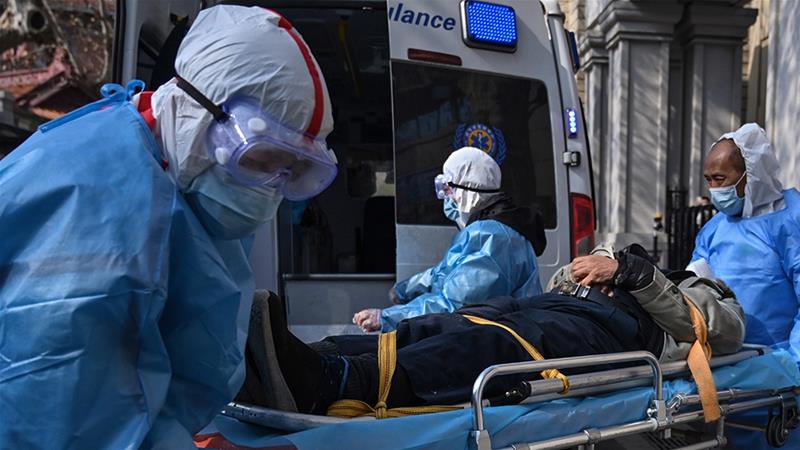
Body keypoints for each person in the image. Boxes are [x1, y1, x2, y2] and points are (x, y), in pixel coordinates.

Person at [0, 6, 336, 449]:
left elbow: (133, 380)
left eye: (291, 172)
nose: (270, 190)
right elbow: (61, 421)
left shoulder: (175, 174)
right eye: (260, 160)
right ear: (197, 112)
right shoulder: (97, 205)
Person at [246, 245, 744, 414]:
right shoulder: (641, 267)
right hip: (558, 305)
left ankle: (335, 382)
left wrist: (633, 275)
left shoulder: (711, 294)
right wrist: (577, 274)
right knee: (451, 321)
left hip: (609, 335)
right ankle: (314, 356)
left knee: (490, 345)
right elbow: (563, 282)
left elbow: (716, 333)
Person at [353, 146, 546, 332]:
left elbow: (456, 305)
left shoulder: (493, 238)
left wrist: (387, 318)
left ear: (465, 191)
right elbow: (445, 272)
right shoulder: (488, 230)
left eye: (447, 189)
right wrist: (408, 289)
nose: (445, 197)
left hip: (500, 343)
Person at [689, 123, 800, 361]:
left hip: (781, 357)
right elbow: (695, 286)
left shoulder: (790, 221)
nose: (713, 189)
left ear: (751, 175)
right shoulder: (714, 229)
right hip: (727, 357)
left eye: (720, 179)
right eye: (708, 180)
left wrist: (795, 361)